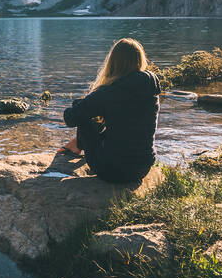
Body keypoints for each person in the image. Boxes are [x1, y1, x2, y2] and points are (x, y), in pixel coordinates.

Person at [58, 38, 160, 183]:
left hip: (112, 171)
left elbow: (70, 118)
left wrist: (81, 103)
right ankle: (76, 144)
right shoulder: (150, 89)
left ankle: (76, 146)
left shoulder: (109, 92)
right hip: (142, 168)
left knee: (84, 116)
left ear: (113, 62)